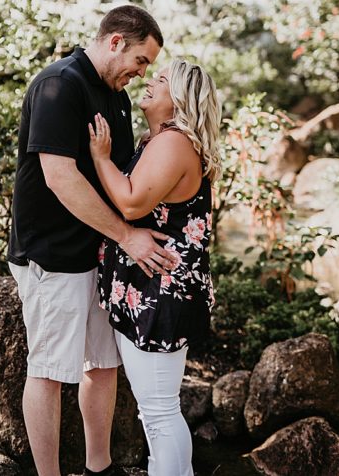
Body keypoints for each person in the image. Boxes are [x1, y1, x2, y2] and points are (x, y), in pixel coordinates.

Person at [8, 5, 177, 476]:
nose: (142, 72)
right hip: (52, 255)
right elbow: (60, 178)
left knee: (101, 365)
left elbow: (119, 175)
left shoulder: (116, 96)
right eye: (141, 60)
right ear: (116, 42)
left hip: (99, 254)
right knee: (48, 370)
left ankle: (98, 469)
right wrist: (128, 237)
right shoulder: (59, 85)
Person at [91, 59, 220, 476]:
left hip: (159, 296)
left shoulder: (174, 144)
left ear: (179, 100)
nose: (149, 81)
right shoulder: (158, 140)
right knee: (155, 414)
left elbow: (130, 202)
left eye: (161, 80)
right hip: (148, 292)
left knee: (160, 413)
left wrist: (100, 158)